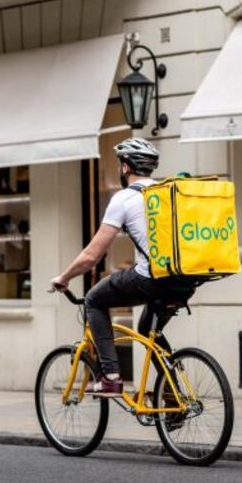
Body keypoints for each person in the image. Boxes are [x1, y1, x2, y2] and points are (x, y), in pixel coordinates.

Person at [50, 137, 195, 397]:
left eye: (120, 164)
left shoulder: (124, 198)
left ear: (126, 167)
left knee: (94, 299)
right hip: (183, 280)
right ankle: (174, 395)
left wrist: (65, 276)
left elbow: (92, 255)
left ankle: (111, 378)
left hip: (150, 279)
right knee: (148, 331)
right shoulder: (166, 193)